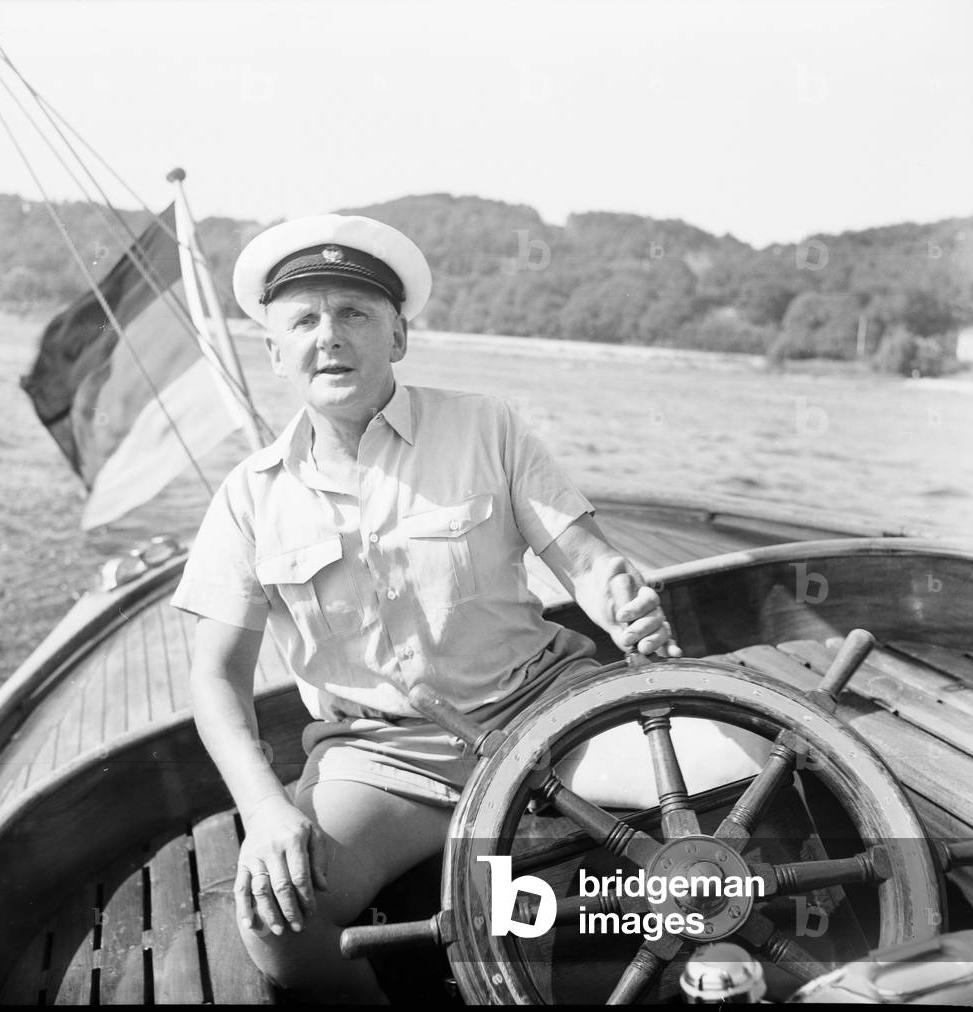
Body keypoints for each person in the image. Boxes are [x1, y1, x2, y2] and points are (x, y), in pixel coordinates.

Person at [171, 214, 681, 1001]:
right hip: (383, 761)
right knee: (278, 921)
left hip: (544, 715)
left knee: (732, 787)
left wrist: (621, 603)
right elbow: (215, 677)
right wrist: (266, 809)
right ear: (275, 353)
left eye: (355, 313)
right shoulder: (247, 500)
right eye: (304, 320)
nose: (329, 335)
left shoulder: (486, 426)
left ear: (398, 336)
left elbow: (586, 562)